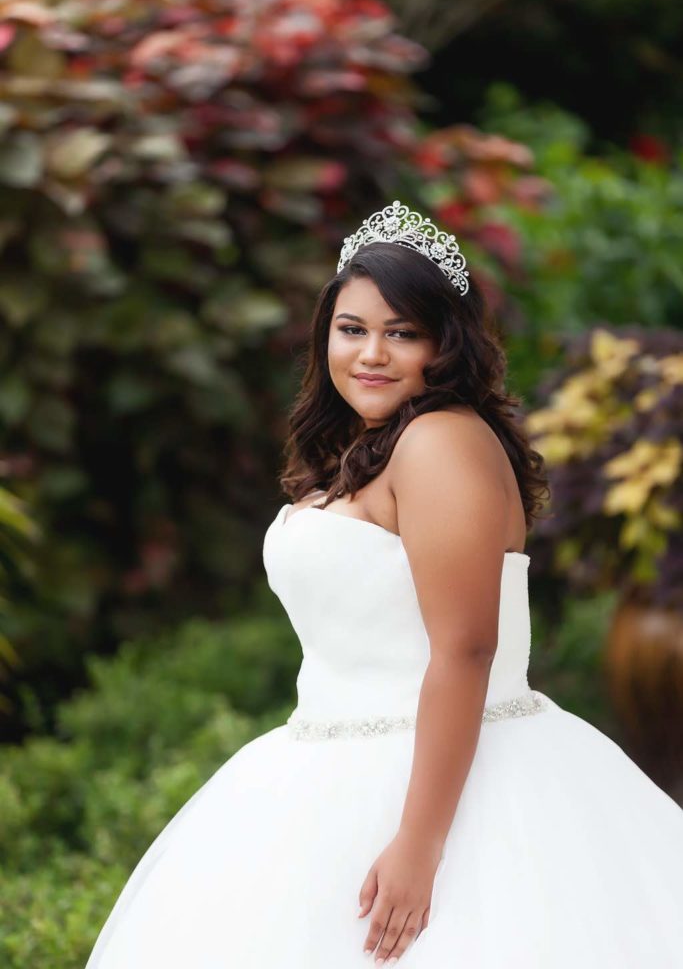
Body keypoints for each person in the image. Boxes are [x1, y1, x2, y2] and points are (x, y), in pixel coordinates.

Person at [84, 200, 683, 968]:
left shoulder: (439, 440)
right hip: (321, 764)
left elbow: (465, 650)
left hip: (443, 782)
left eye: (401, 333)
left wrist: (419, 845)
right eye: (352, 329)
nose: (371, 354)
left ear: (444, 344)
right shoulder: (372, 446)